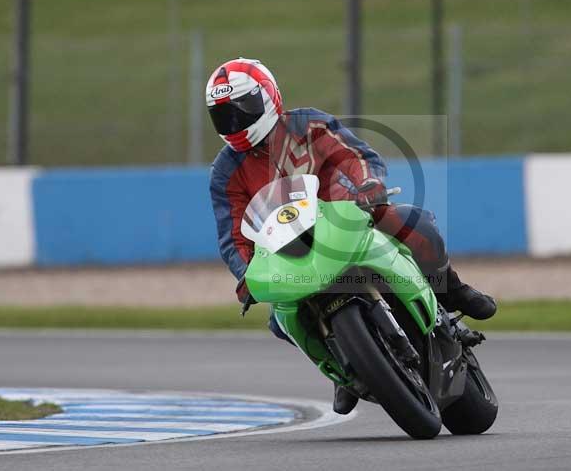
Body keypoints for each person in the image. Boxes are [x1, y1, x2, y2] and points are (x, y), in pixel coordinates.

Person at [208, 58, 496, 414]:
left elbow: (354, 154)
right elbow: (232, 233)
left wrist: (367, 183)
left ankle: (453, 291)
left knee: (414, 224)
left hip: (348, 215)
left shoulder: (308, 123)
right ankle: (343, 367)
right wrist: (246, 276)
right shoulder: (225, 171)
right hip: (290, 249)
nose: (234, 123)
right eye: (224, 116)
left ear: (268, 98)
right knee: (278, 320)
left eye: (242, 110)